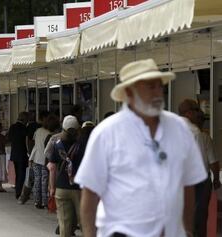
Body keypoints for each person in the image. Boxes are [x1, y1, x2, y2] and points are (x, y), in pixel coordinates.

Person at [74, 59, 207, 237]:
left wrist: (188, 229)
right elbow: (90, 193)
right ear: (129, 92)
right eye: (150, 87)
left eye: (159, 86)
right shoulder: (107, 133)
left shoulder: (180, 128)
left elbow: (188, 184)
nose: (158, 92)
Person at [178, 99, 221, 237]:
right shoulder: (201, 135)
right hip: (200, 182)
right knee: (199, 216)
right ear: (188, 112)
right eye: (197, 110)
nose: (200, 113)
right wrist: (216, 179)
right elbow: (213, 162)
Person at [47, 115, 80, 237]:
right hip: (79, 187)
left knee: (64, 223)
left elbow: (52, 168)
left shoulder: (57, 144)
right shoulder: (81, 145)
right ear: (77, 128)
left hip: (61, 187)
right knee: (84, 221)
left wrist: (51, 187)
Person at [29, 115, 51, 209]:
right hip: (44, 159)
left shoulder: (38, 131)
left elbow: (34, 143)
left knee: (37, 180)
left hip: (35, 157)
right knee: (44, 181)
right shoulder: (50, 134)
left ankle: (37, 201)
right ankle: (44, 202)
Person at [7, 112, 29, 199]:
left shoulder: (12, 127)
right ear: (24, 119)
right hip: (22, 154)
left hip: (14, 153)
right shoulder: (24, 128)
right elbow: (27, 140)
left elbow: (9, 138)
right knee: (22, 174)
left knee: (17, 173)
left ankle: (18, 191)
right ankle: (19, 192)